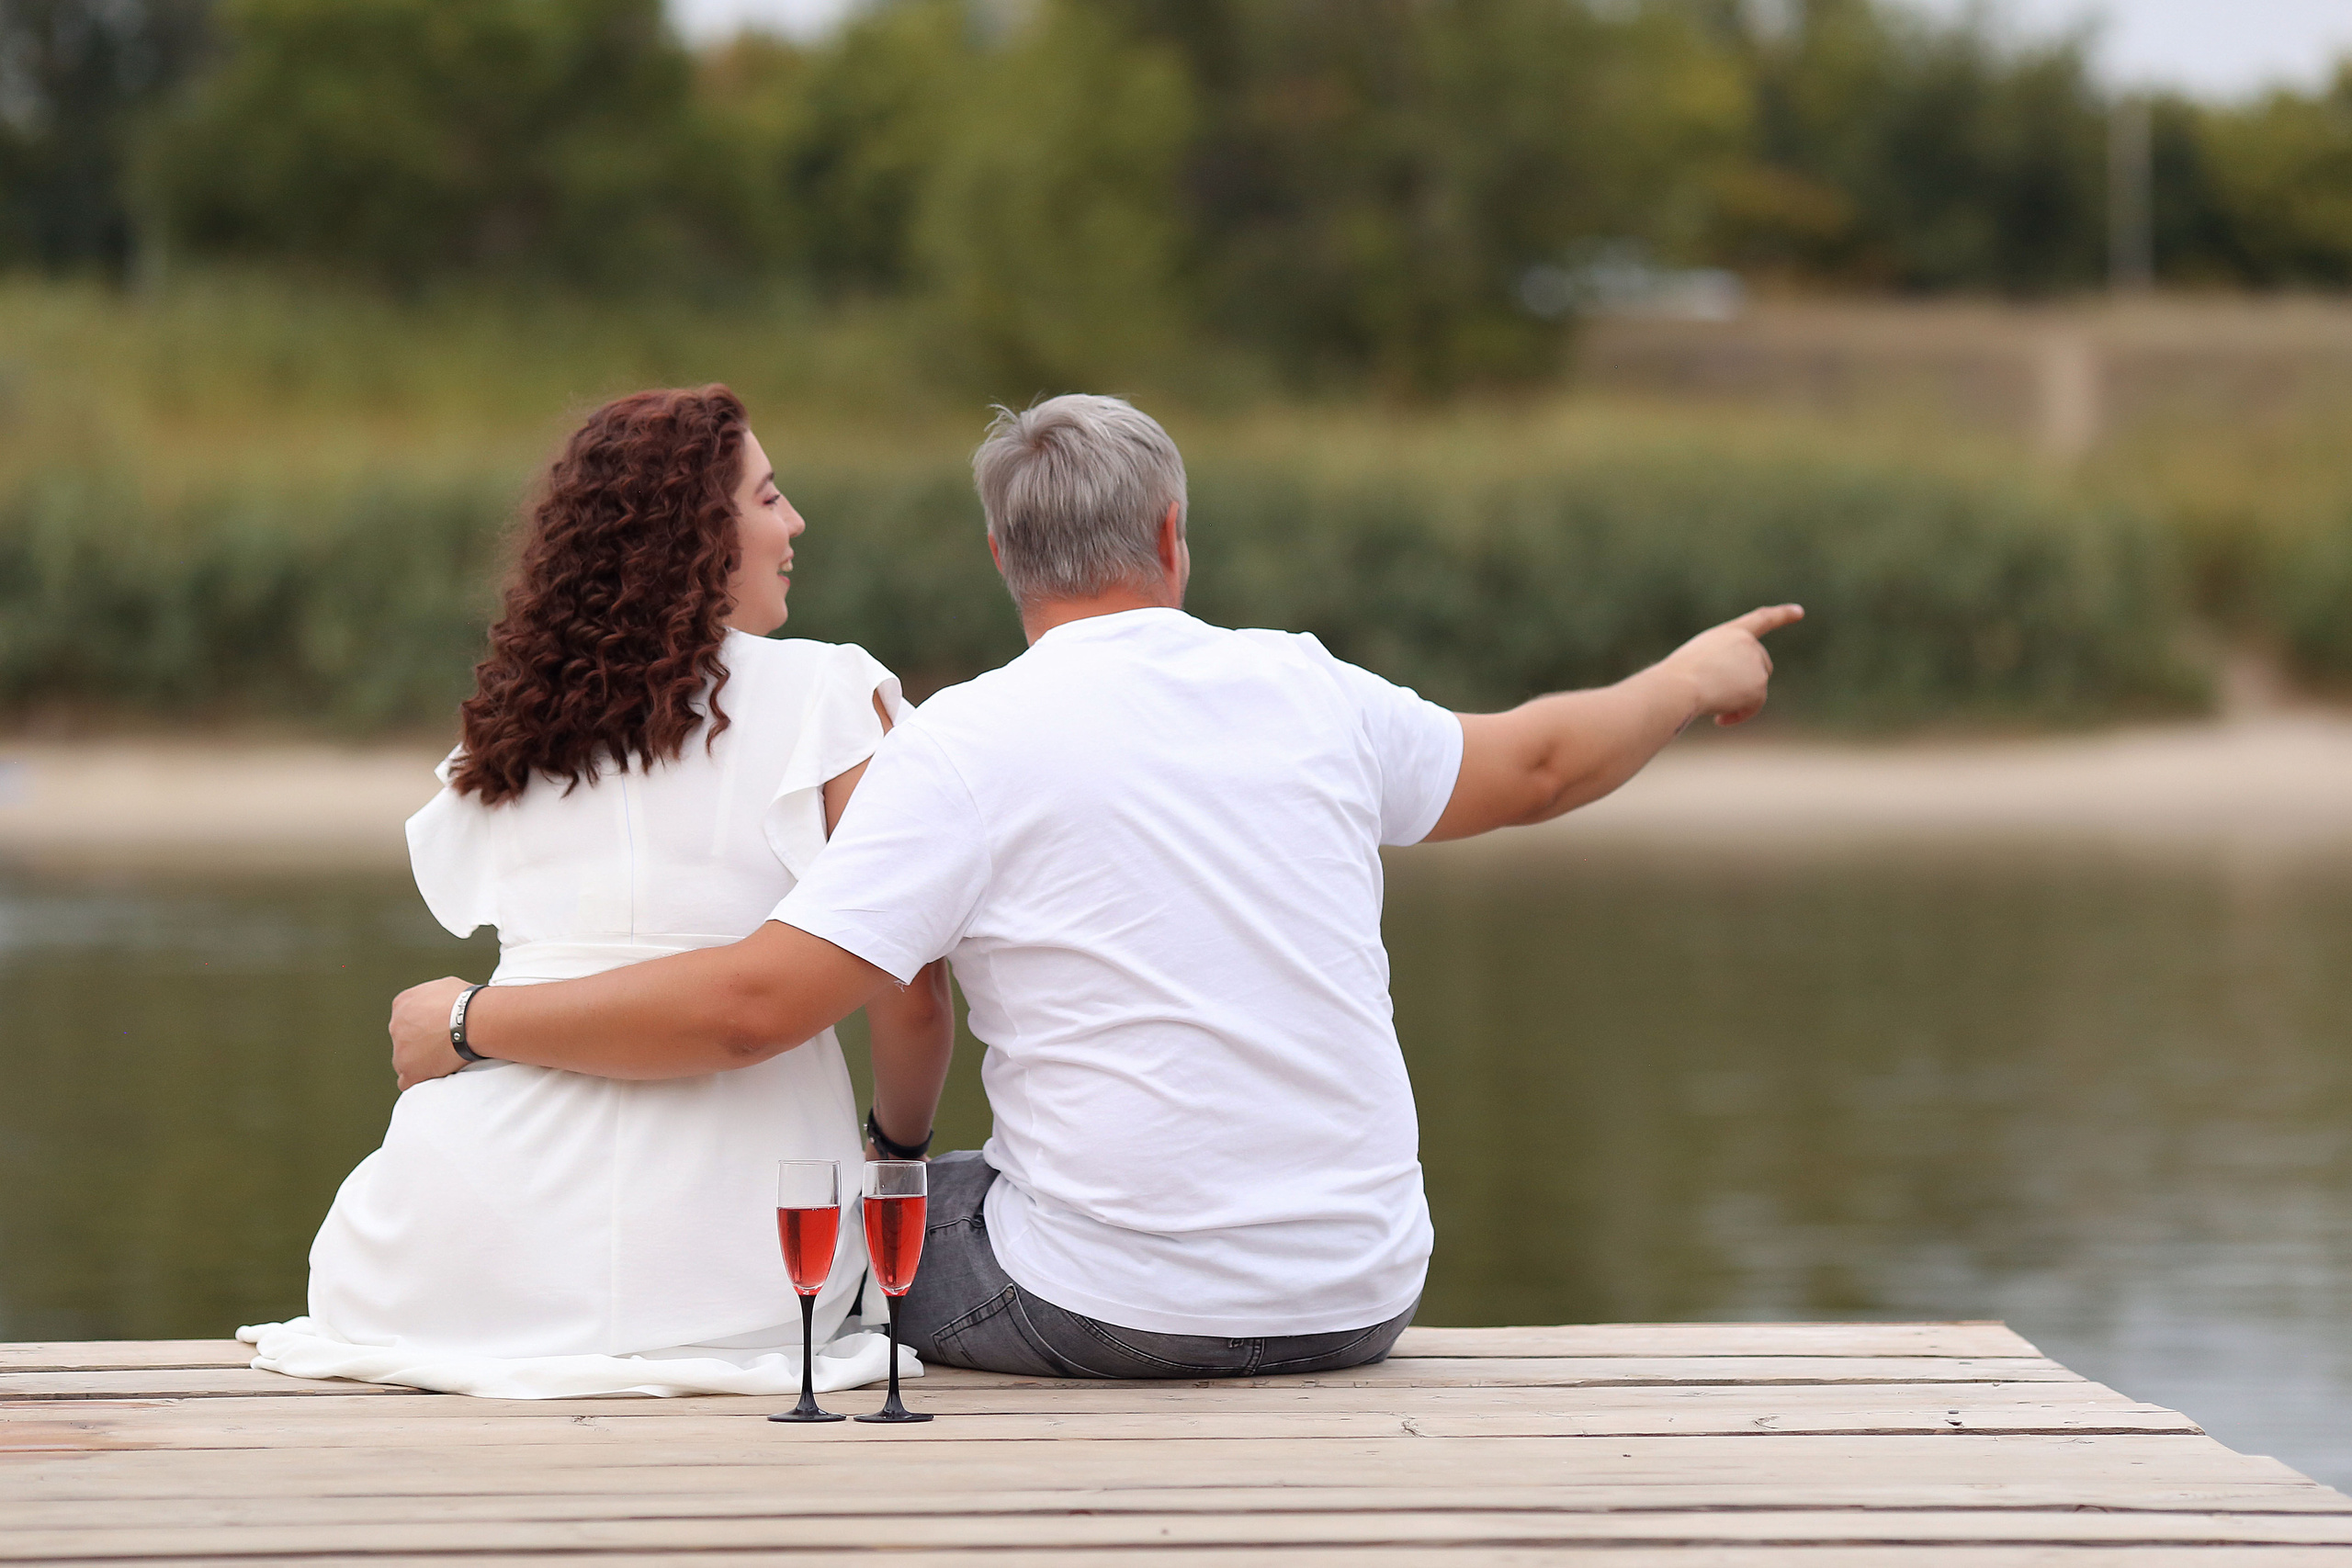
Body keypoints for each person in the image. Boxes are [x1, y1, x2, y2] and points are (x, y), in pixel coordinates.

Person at [388, 393, 1799, 1380]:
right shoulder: (1309, 689)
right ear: (1174, 535)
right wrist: (1684, 676)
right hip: (1361, 1291)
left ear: (1003, 555)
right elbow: (1543, 763)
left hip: (1099, 1310)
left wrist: (473, 1021)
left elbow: (758, 1005)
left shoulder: (961, 744)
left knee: (868, 1209)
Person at [244, 386, 953, 1398]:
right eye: (768, 497)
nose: (793, 523)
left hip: (452, 1251)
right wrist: (897, 1145)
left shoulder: (514, 736)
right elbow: (914, 990)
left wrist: (464, 1018)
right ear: (701, 530)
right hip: (735, 1264)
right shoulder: (834, 696)